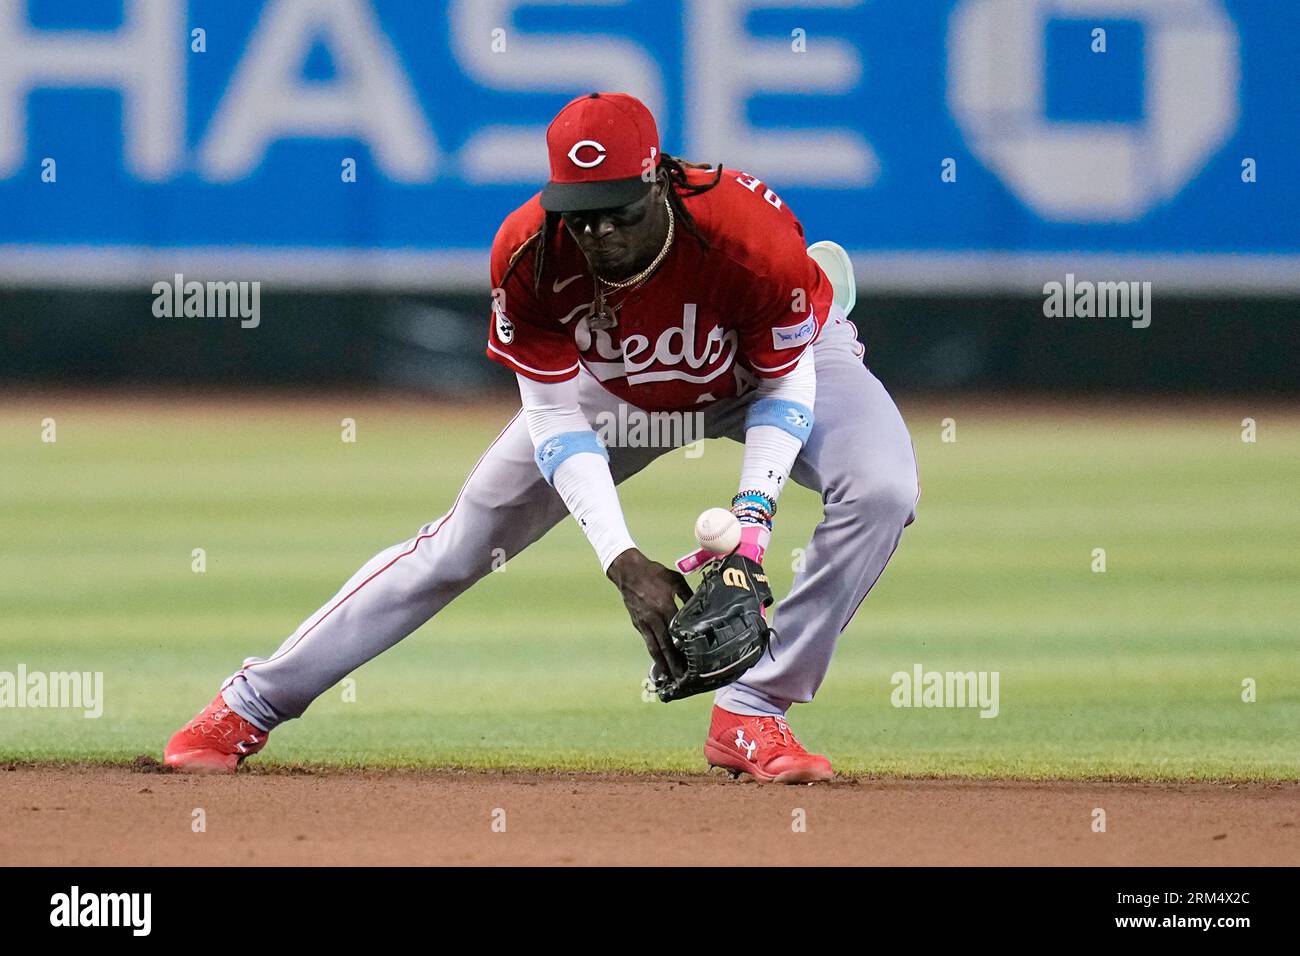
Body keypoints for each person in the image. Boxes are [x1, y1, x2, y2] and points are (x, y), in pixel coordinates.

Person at [164, 92, 918, 783]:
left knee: (882, 491)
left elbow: (785, 385)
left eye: (618, 210)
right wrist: (622, 559)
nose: (598, 231)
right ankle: (249, 705)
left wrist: (752, 526)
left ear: (659, 183)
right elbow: (557, 418)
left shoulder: (748, 237)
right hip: (616, 388)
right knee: (458, 546)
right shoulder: (529, 253)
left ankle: (755, 710)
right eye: (580, 212)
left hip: (777, 370)